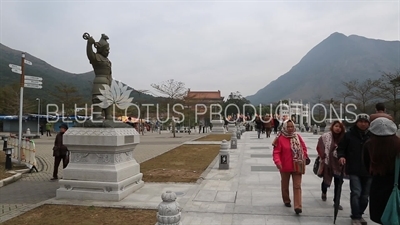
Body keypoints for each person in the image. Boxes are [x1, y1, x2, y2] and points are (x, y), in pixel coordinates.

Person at [363, 117, 400, 224]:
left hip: (378, 185)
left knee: (381, 216)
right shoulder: (398, 144)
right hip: (396, 183)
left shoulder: (369, 145)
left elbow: (366, 165)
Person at [337, 114, 371, 225]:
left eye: (365, 122)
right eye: (360, 121)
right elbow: (341, 149)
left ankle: (360, 214)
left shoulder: (372, 136)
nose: (363, 124)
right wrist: (341, 156)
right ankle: (355, 216)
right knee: (356, 192)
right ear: (356, 122)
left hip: (369, 170)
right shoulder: (349, 135)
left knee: (365, 196)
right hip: (354, 168)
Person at [273, 120, 310, 215]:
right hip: (285, 166)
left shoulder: (297, 137)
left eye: (291, 127)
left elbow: (304, 147)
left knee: (297, 186)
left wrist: (304, 156)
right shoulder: (280, 138)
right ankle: (286, 200)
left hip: (297, 165)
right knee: (285, 184)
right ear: (285, 127)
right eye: (288, 127)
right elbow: (276, 152)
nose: (290, 129)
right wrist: (277, 162)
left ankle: (298, 206)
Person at [316, 120, 346, 209]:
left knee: (339, 182)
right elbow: (319, 146)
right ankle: (324, 191)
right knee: (326, 180)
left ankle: (336, 202)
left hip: (339, 163)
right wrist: (323, 156)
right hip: (328, 162)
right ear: (332, 127)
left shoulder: (344, 137)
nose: (338, 128)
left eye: (340, 127)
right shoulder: (326, 136)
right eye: (336, 126)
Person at [84, 33, 112, 120]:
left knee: (108, 100)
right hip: (99, 81)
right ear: (101, 50)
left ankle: (108, 115)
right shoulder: (96, 57)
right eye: (106, 50)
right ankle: (97, 114)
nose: (108, 52)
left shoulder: (108, 61)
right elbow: (90, 54)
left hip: (107, 82)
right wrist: (89, 44)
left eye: (108, 50)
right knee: (98, 98)